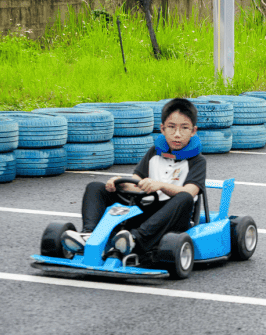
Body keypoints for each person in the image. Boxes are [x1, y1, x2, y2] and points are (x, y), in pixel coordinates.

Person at [62, 98, 207, 260]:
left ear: (193, 131)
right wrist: (118, 184)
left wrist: (159, 185)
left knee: (184, 197)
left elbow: (190, 192)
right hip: (145, 210)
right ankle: (89, 234)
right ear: (162, 129)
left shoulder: (197, 161)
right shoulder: (154, 153)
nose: (177, 134)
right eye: (171, 128)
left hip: (173, 218)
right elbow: (136, 184)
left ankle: (135, 239)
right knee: (95, 187)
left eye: (184, 128)